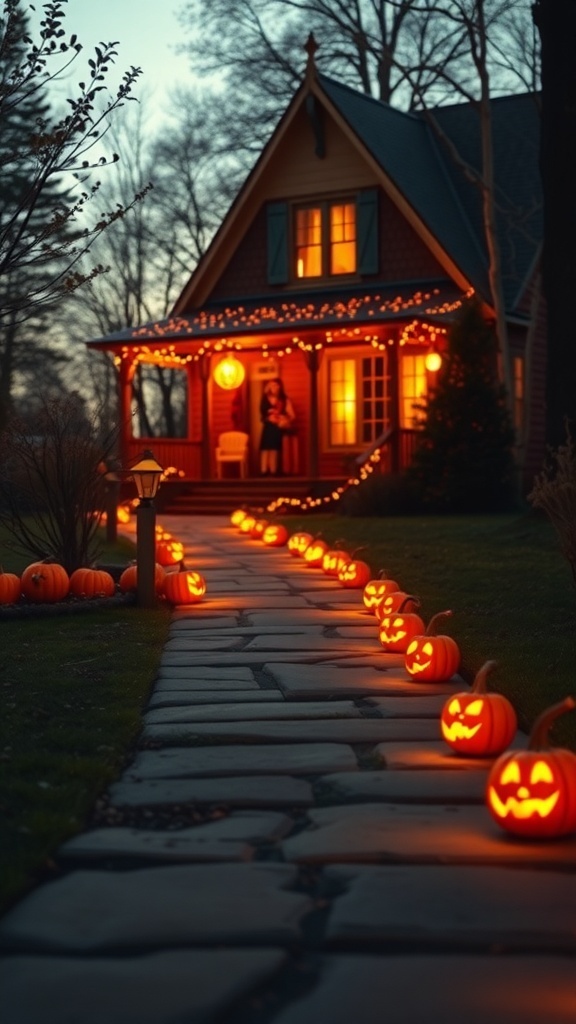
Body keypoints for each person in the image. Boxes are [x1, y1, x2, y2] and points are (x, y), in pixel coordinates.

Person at [259, 377, 295, 475]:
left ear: (279, 386)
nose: (273, 387)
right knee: (265, 448)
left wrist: (282, 418)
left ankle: (273, 471)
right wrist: (268, 417)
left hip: (277, 427)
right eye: (271, 385)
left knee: (274, 449)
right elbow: (262, 413)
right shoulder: (265, 398)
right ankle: (263, 471)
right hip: (267, 426)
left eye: (275, 385)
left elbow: (291, 415)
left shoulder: (284, 399)